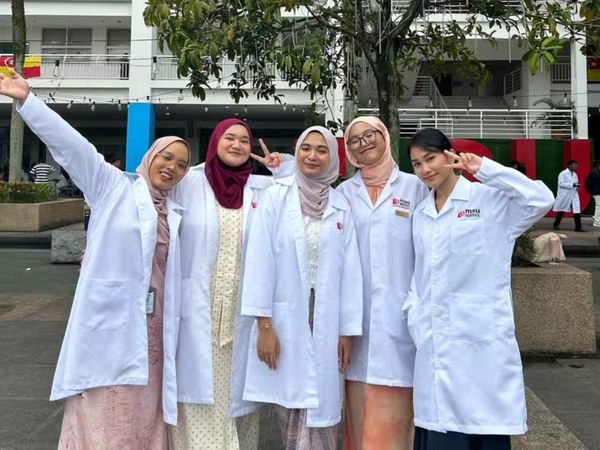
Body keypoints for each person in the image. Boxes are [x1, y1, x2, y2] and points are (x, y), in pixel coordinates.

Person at [0, 70, 191, 449]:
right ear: (151, 157)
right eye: (166, 157)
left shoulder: (177, 207)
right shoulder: (112, 186)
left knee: (146, 412)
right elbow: (73, 147)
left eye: (182, 164)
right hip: (112, 324)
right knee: (106, 410)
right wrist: (28, 101)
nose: (172, 167)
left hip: (156, 329)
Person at [405, 128, 554, 450]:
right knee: (441, 429)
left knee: (484, 426)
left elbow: (541, 199)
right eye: (416, 164)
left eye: (430, 158)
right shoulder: (420, 212)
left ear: (450, 155)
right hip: (434, 341)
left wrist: (484, 168)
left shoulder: (490, 202)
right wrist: (413, 312)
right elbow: (420, 274)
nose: (425, 169)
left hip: (481, 340)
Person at [169, 119, 292, 449]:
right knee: (197, 397)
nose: (237, 145)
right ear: (215, 142)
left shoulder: (260, 187)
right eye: (229, 138)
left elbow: (302, 194)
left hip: (243, 313)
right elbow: (148, 190)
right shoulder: (190, 181)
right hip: (197, 313)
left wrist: (281, 169)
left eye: (244, 140)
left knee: (238, 401)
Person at [240, 126, 363, 449]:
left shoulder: (339, 205)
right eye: (305, 148)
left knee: (322, 405)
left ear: (332, 158)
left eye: (321, 150)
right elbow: (259, 258)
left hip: (326, 317)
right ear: (297, 152)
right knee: (290, 402)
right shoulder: (276, 196)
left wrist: (348, 331)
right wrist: (264, 324)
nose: (312, 156)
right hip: (284, 316)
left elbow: (351, 271)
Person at [337, 116, 429, 450]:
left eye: (370, 135)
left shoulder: (415, 187)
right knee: (360, 420)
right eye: (355, 140)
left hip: (404, 320)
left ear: (385, 136)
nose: (364, 143)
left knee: (399, 418)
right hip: (356, 323)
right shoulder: (344, 194)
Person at [553, 160, 585, 231]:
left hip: (573, 194)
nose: (576, 166)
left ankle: (578, 227)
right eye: (574, 165)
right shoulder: (563, 173)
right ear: (570, 166)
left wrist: (577, 186)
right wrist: (572, 185)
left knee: (577, 210)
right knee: (562, 210)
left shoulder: (575, 174)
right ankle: (556, 224)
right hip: (565, 195)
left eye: (576, 165)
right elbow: (560, 184)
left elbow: (575, 184)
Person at [585, 160, 600, 227]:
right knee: (598, 207)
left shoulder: (596, 172)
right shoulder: (594, 172)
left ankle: (595, 217)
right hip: (597, 192)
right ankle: (596, 222)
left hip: (597, 192)